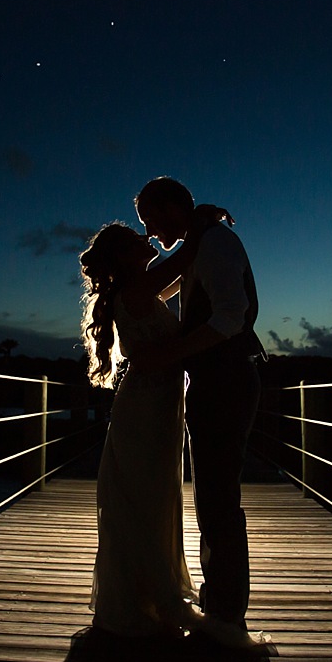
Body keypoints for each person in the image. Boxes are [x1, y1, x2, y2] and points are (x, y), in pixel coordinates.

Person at [130, 177, 269, 654]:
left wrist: (169, 355)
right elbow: (160, 290)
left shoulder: (217, 243)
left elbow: (231, 316)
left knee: (219, 500)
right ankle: (219, 608)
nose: (148, 232)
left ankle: (228, 616)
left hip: (226, 382)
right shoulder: (201, 243)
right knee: (212, 497)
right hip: (213, 382)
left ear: (170, 208)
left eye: (150, 219)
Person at [79, 215, 219, 638]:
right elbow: (186, 258)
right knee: (146, 499)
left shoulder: (139, 289)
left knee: (149, 498)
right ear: (123, 256)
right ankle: (149, 597)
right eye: (135, 237)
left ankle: (144, 593)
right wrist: (200, 224)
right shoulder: (137, 287)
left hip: (153, 406)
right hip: (146, 409)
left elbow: (177, 280)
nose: (147, 237)